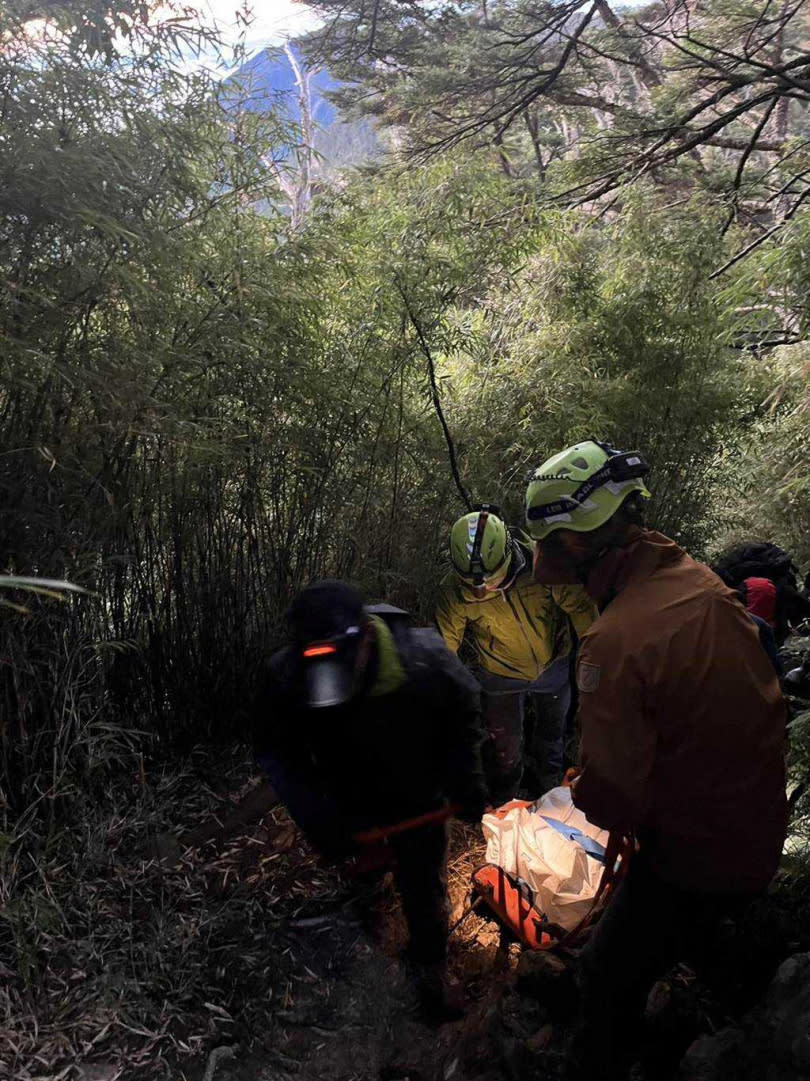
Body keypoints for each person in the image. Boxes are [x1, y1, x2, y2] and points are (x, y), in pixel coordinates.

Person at [524, 439, 787, 1081]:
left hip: (697, 851)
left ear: (576, 547)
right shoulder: (696, 582)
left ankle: (603, 1057)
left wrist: (581, 792)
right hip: (753, 822)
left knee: (612, 973)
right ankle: (717, 972)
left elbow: (613, 796)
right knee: (671, 929)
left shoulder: (615, 644)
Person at [252, 580, 488, 1021]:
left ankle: (429, 969)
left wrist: (466, 782)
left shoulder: (424, 661)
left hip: (418, 796)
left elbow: (465, 715)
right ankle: (371, 891)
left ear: (364, 637)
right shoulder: (286, 677)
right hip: (350, 792)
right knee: (362, 858)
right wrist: (320, 821)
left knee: (422, 887)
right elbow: (279, 754)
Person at [435, 505, 596, 802]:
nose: (484, 590)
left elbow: (581, 610)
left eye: (491, 580)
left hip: (553, 667)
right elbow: (447, 644)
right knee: (505, 747)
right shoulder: (454, 590)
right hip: (499, 675)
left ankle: (550, 797)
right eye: (474, 585)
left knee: (551, 737)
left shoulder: (544, 565)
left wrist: (597, 659)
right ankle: (506, 801)